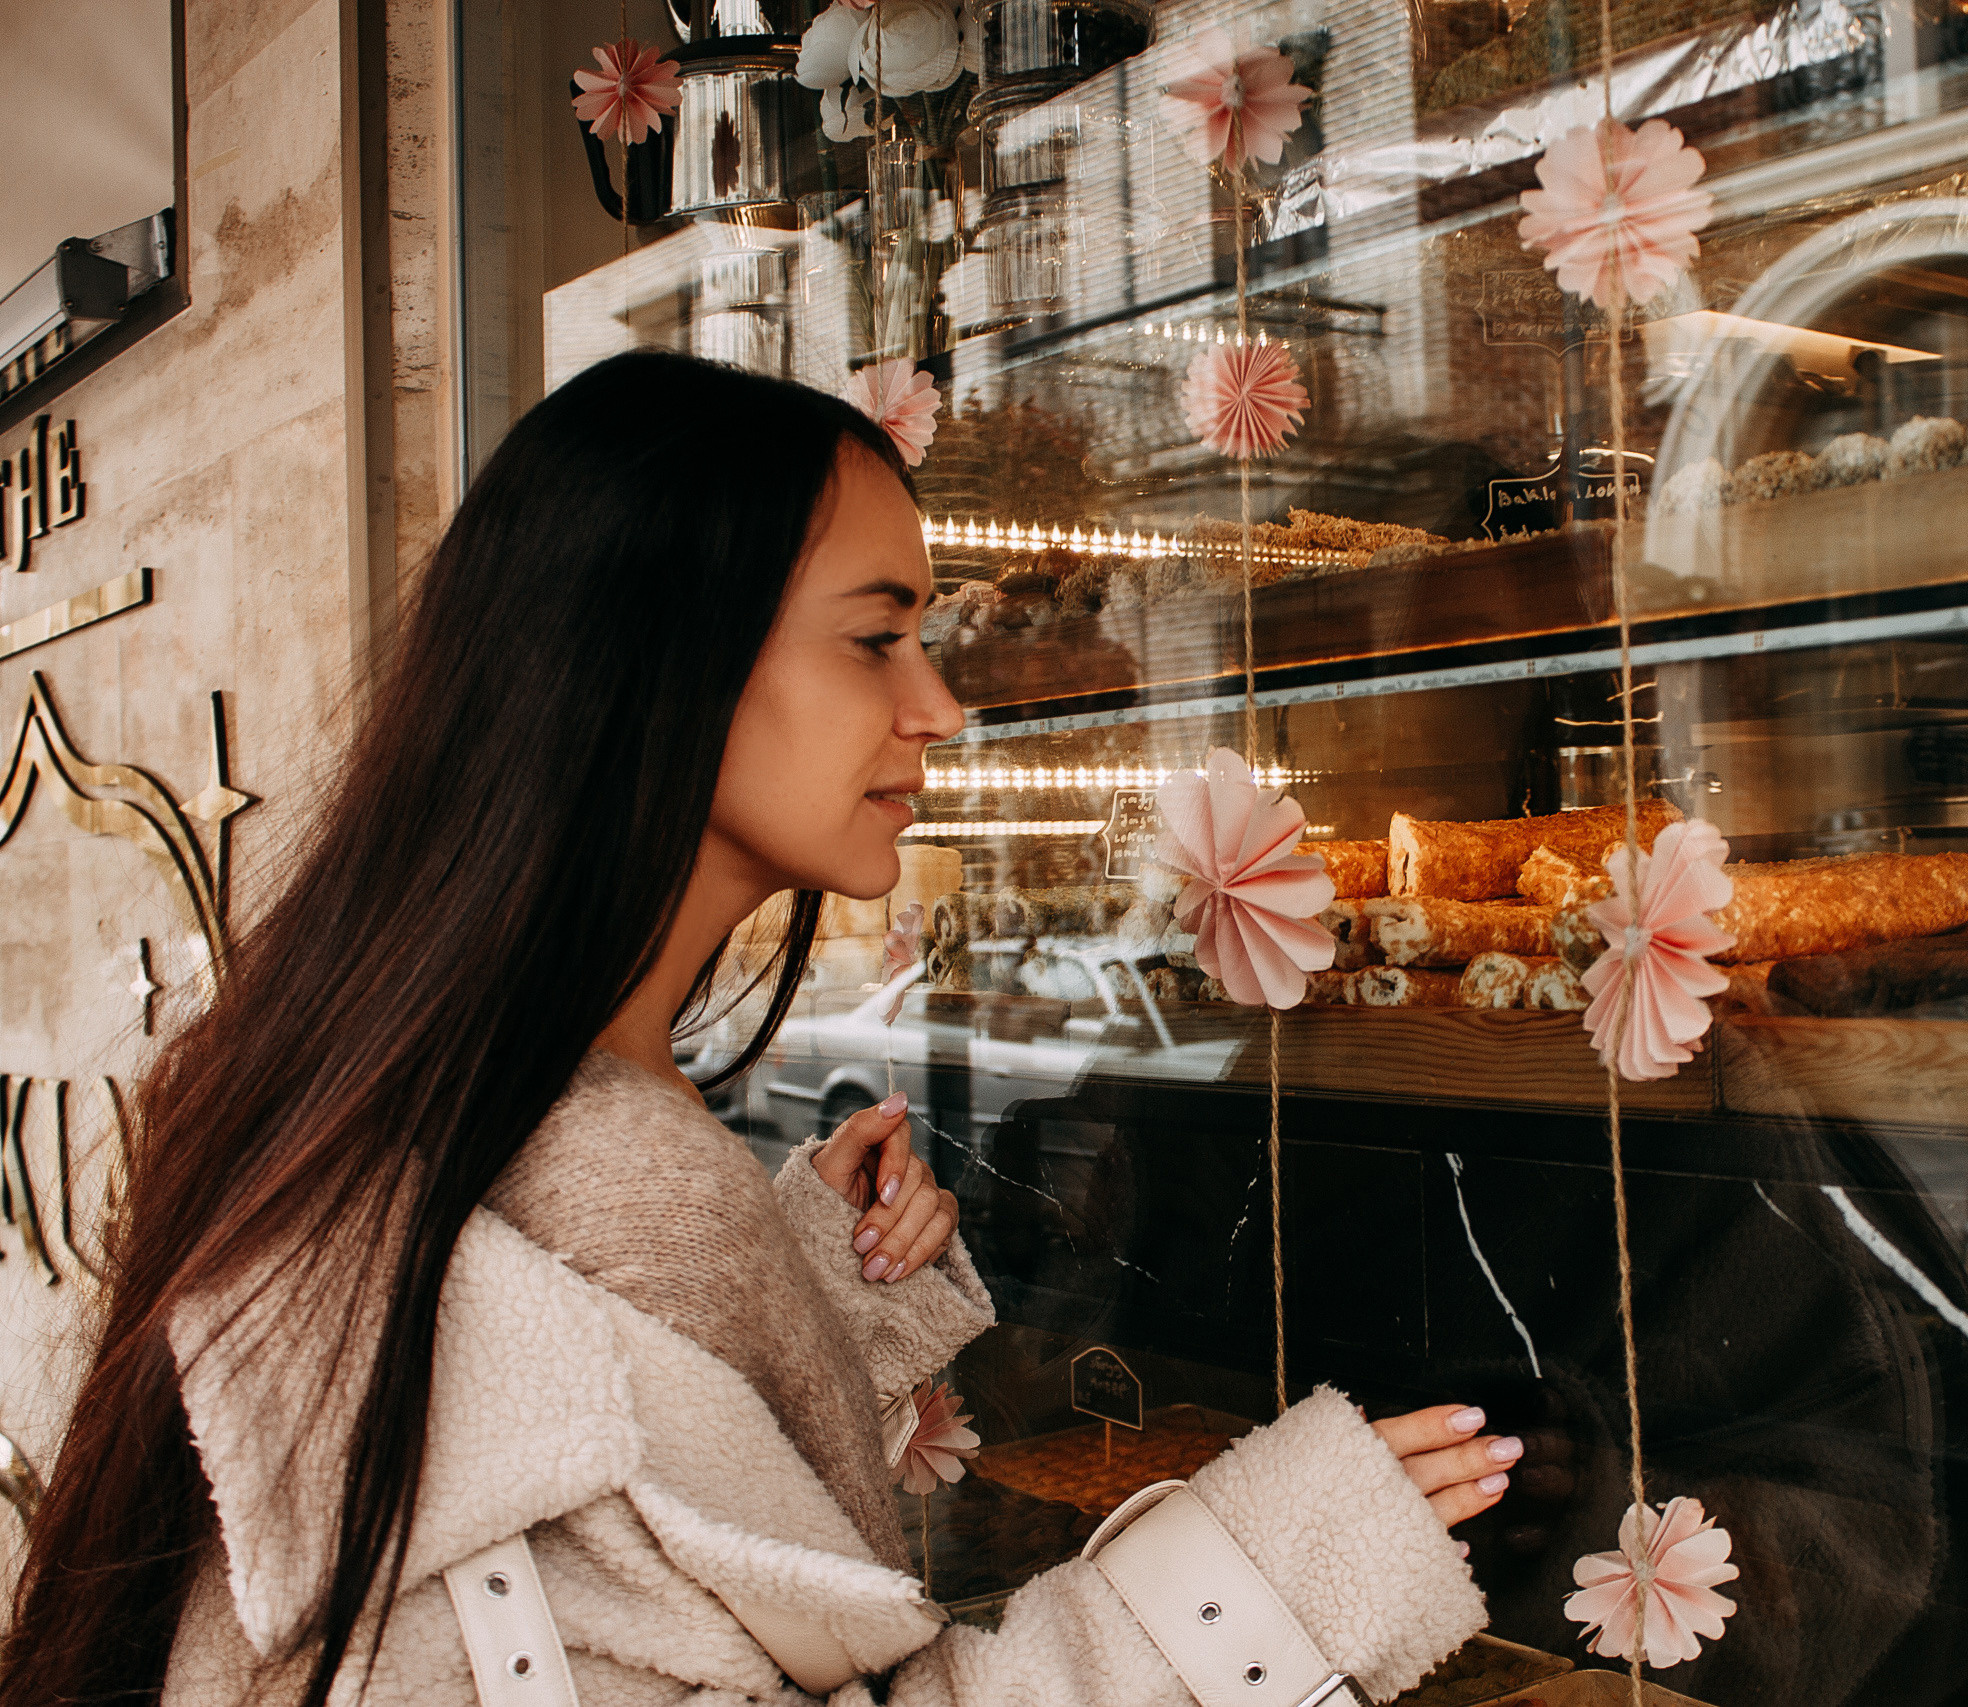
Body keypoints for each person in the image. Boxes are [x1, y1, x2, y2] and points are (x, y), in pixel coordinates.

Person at [2, 352, 1514, 1707]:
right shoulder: (568, 1207)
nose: (939, 706)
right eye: (875, 639)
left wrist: (796, 1300)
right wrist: (1256, 1578)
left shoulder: (452, 1112)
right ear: (663, 662)